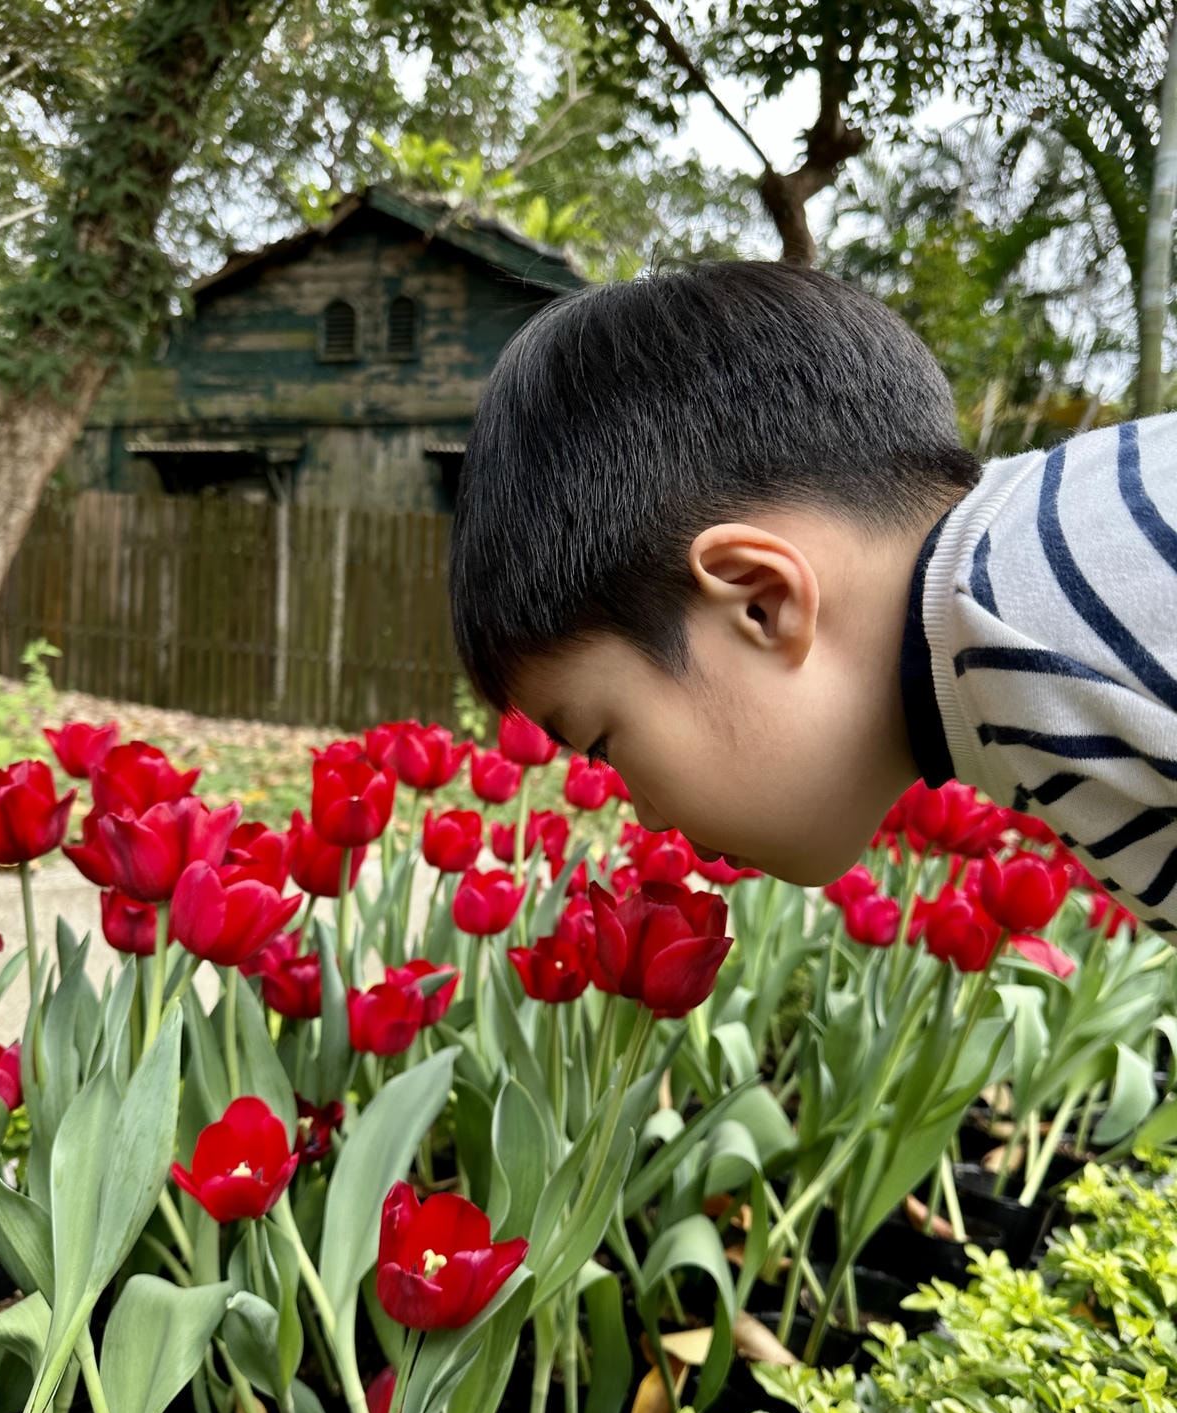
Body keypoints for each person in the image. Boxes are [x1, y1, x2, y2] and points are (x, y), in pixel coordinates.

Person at [448, 259, 1177, 945]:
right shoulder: (1029, 606)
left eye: (604, 744)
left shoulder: (1056, 595)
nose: (643, 814)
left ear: (761, 605)